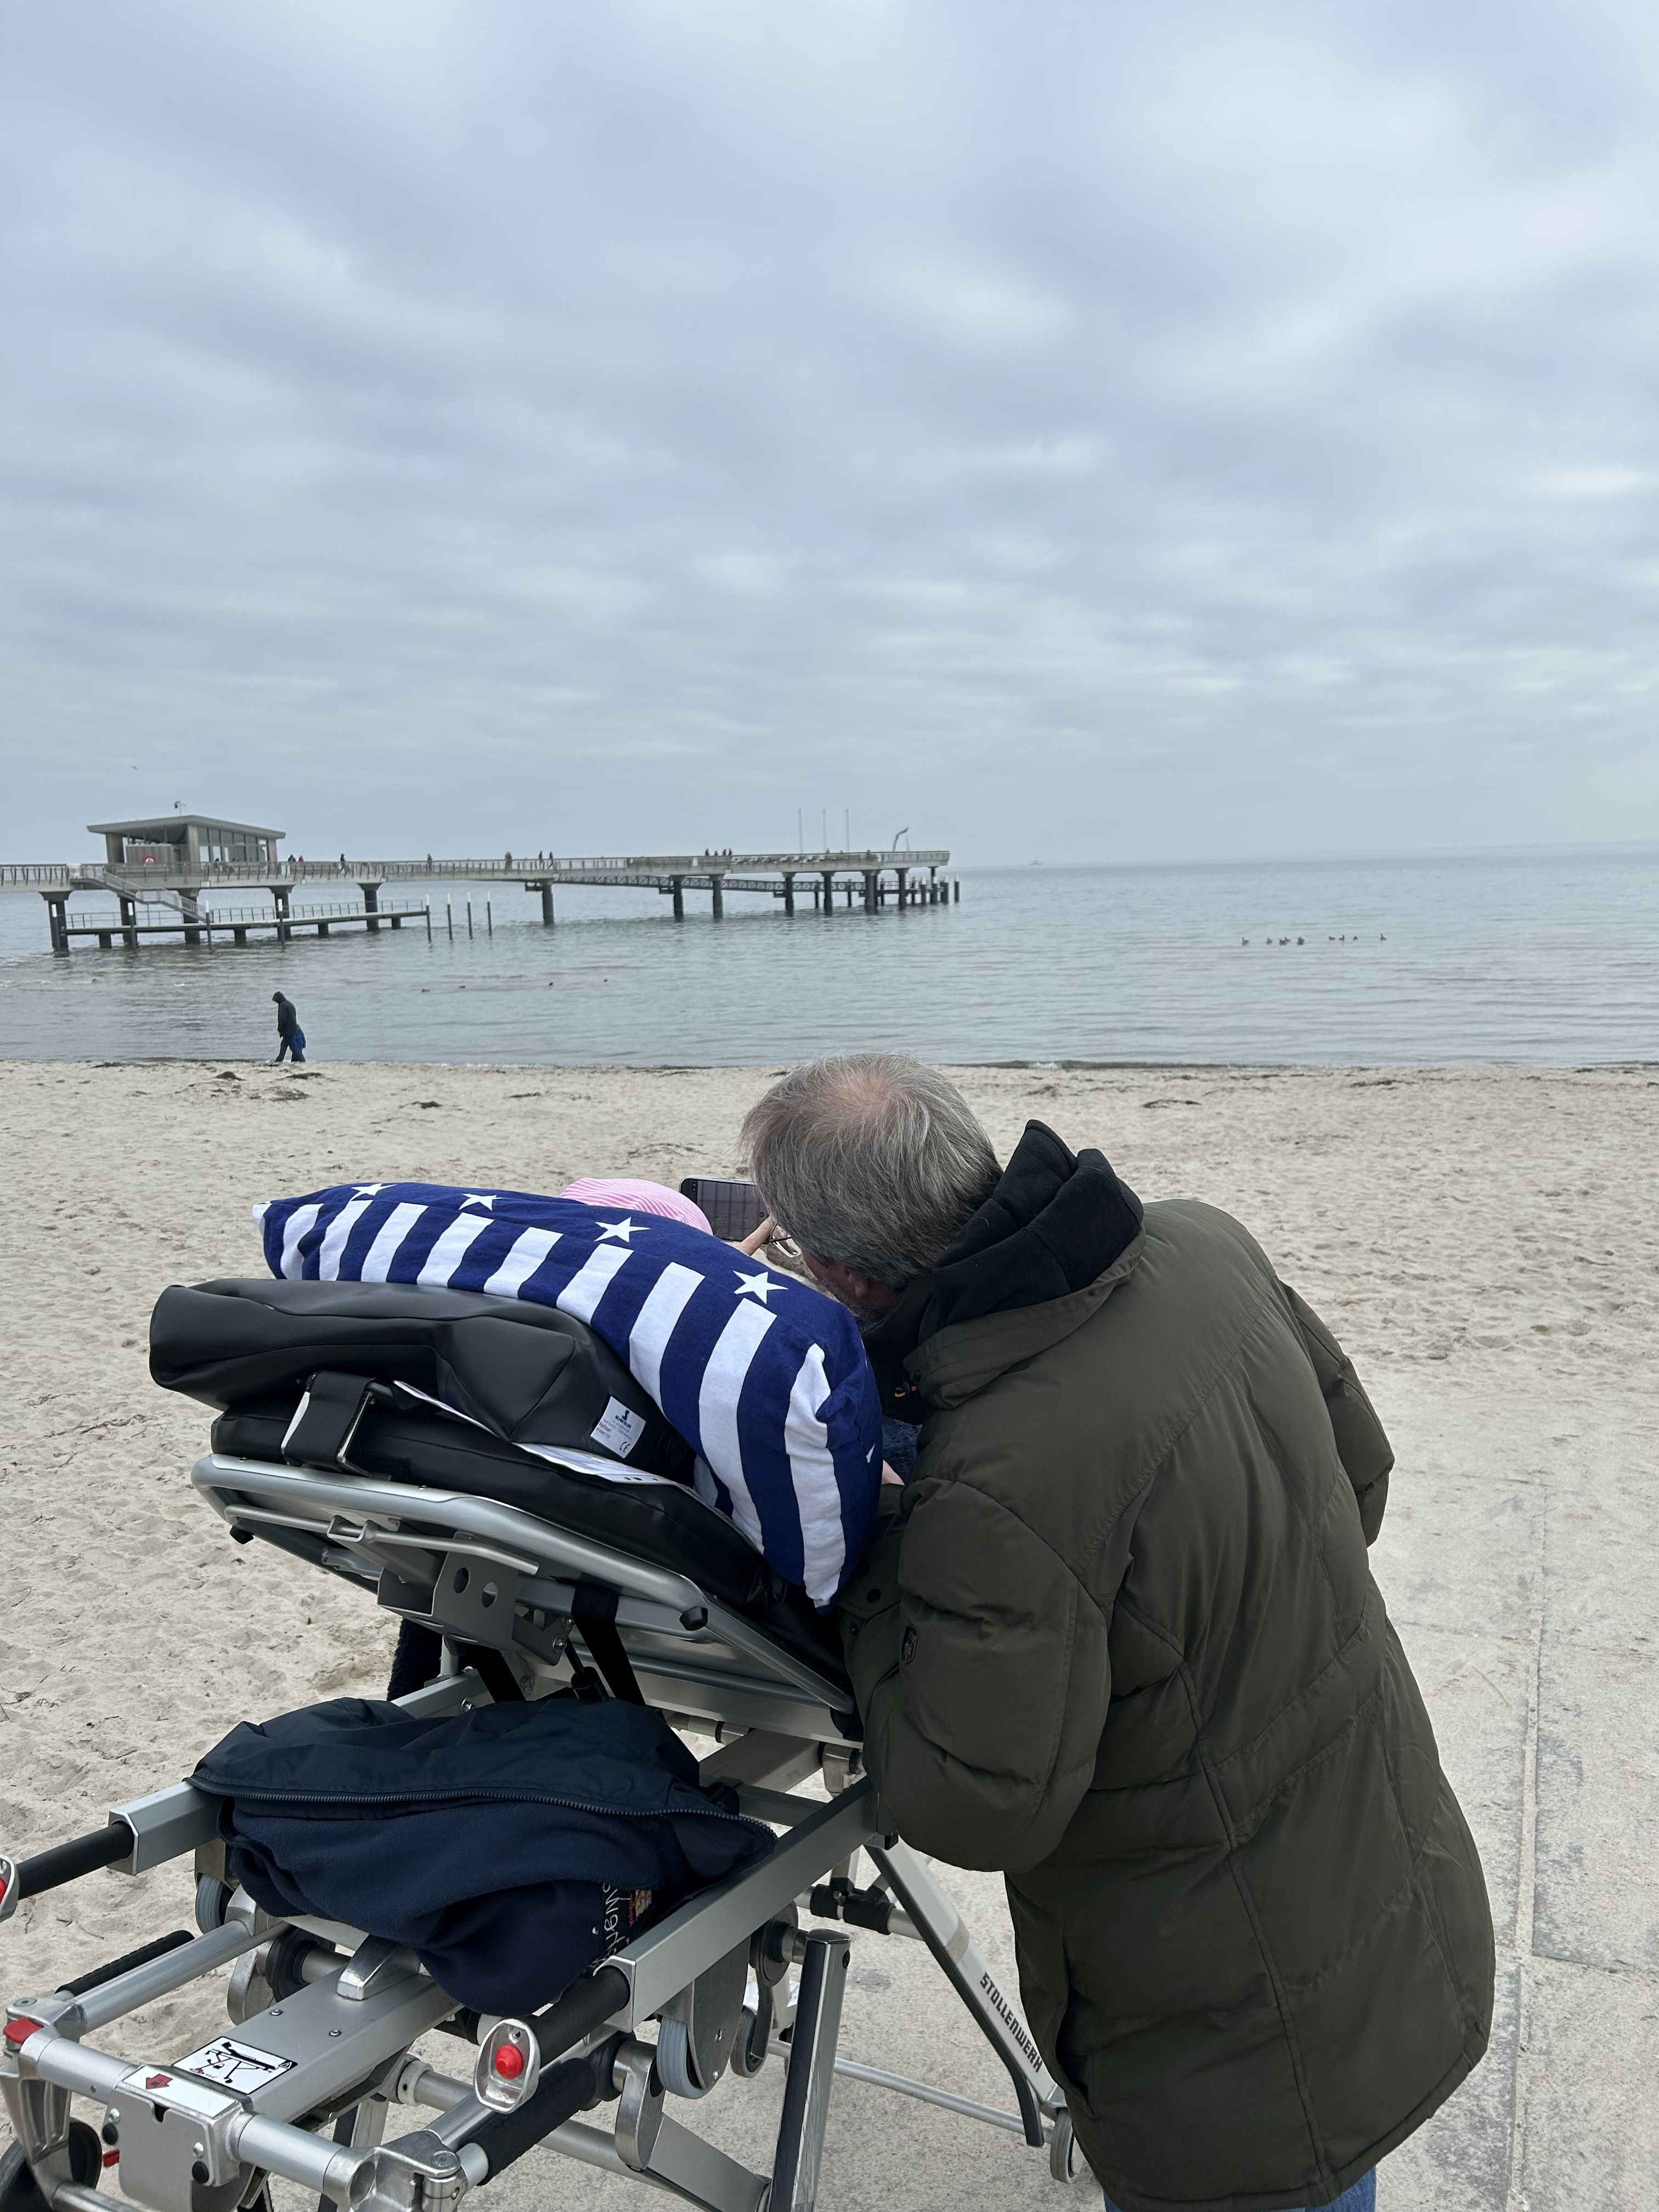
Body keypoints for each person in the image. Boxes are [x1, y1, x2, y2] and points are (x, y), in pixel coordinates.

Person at [740, 1054, 1494, 2212]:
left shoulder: (994, 1476)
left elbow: (974, 1805)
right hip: (1378, 1860)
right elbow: (1360, 1483)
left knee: (1291, 2168)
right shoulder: (1205, 1243)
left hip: (1217, 2012)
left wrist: (888, 1550)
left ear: (843, 1274)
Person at [272, 991, 305, 1064]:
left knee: (293, 1047)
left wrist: (280, 1029)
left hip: (287, 1030)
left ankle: (302, 1060)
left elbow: (282, 1019)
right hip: (293, 1029)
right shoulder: (289, 1004)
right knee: (284, 1045)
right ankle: (279, 1060)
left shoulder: (282, 1006)